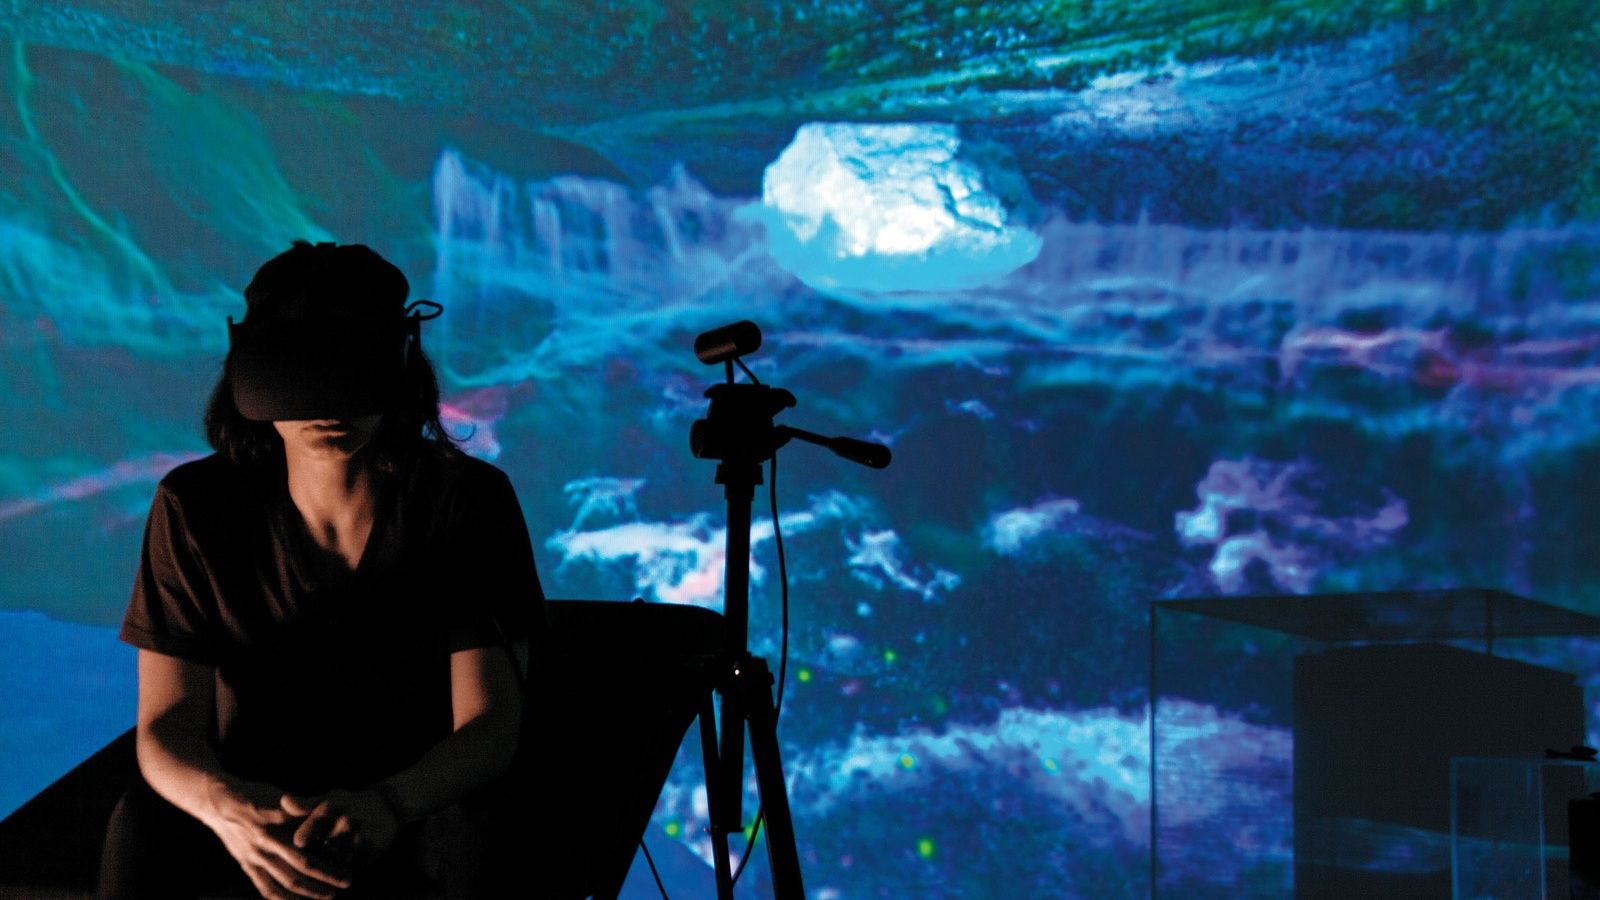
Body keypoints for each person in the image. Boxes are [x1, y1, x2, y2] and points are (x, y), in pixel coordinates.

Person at [98, 241, 544, 899]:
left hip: (418, 808)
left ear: (397, 363)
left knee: (483, 831)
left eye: (355, 366)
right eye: (302, 369)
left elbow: (491, 723)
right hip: (253, 806)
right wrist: (228, 809)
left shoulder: (465, 502)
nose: (329, 406)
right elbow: (166, 725)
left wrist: (389, 805)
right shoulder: (195, 506)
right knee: (143, 824)